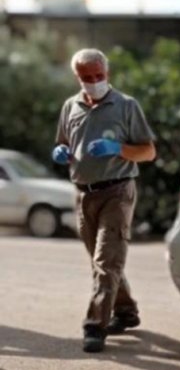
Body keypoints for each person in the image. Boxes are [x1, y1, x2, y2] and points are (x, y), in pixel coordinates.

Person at [52, 48, 156, 353]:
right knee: (105, 262)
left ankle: (95, 325)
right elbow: (62, 141)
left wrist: (118, 148)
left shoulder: (125, 106)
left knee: (105, 260)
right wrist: (60, 151)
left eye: (99, 76)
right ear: (78, 77)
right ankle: (126, 312)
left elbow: (148, 151)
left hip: (117, 191)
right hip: (84, 193)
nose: (94, 81)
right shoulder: (70, 106)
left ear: (106, 73)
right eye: (87, 78)